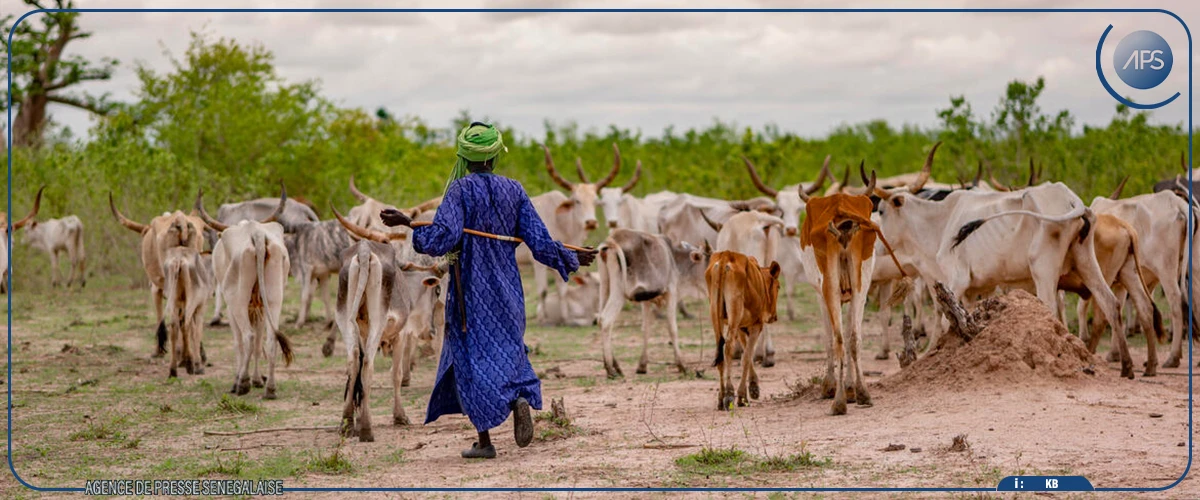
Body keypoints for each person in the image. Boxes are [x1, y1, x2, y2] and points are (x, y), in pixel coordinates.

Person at [380, 122, 597, 459]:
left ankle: (484, 442)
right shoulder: (515, 190)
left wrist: (407, 224)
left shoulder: (460, 191)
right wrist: (570, 256)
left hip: (471, 291)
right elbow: (539, 243)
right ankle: (519, 397)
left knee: (471, 359)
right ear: (495, 156)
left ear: (464, 158)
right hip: (509, 290)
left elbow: (442, 239)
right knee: (510, 348)